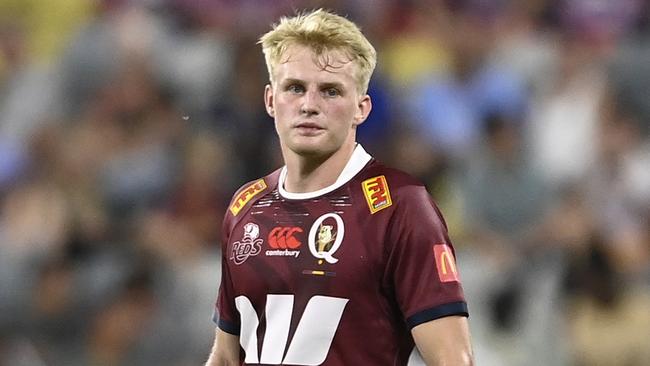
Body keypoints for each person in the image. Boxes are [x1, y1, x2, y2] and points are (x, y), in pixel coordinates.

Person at [205, 9, 473, 366]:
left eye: (330, 91)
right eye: (295, 88)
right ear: (271, 100)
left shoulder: (400, 206)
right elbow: (225, 357)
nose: (309, 105)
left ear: (361, 108)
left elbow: (452, 359)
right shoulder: (246, 207)